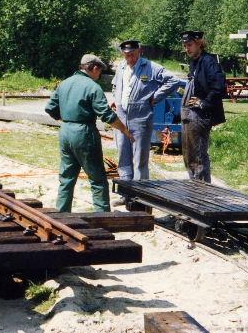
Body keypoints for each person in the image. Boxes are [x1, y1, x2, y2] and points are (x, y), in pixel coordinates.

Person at [45, 54, 134, 212]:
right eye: (99, 72)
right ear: (94, 68)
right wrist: (125, 130)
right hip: (84, 133)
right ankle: (103, 216)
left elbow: (50, 108)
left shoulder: (65, 83)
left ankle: (62, 214)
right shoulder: (92, 87)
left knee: (66, 177)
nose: (99, 75)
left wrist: (68, 118)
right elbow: (106, 115)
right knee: (98, 179)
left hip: (65, 131)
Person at [110, 39, 180, 183]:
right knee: (123, 157)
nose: (130, 58)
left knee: (140, 159)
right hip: (121, 119)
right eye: (126, 55)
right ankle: (126, 193)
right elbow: (115, 85)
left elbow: (173, 80)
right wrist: (116, 99)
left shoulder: (150, 67)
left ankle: (139, 197)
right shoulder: (121, 67)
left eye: (132, 54)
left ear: (139, 51)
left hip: (141, 119)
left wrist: (156, 97)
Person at [180, 30, 226, 183]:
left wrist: (203, 103)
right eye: (185, 46)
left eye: (190, 45)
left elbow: (219, 87)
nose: (187, 49)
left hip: (201, 117)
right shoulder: (194, 62)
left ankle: (202, 194)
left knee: (198, 157)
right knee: (189, 155)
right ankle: (195, 189)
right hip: (190, 115)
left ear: (199, 44)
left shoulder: (209, 61)